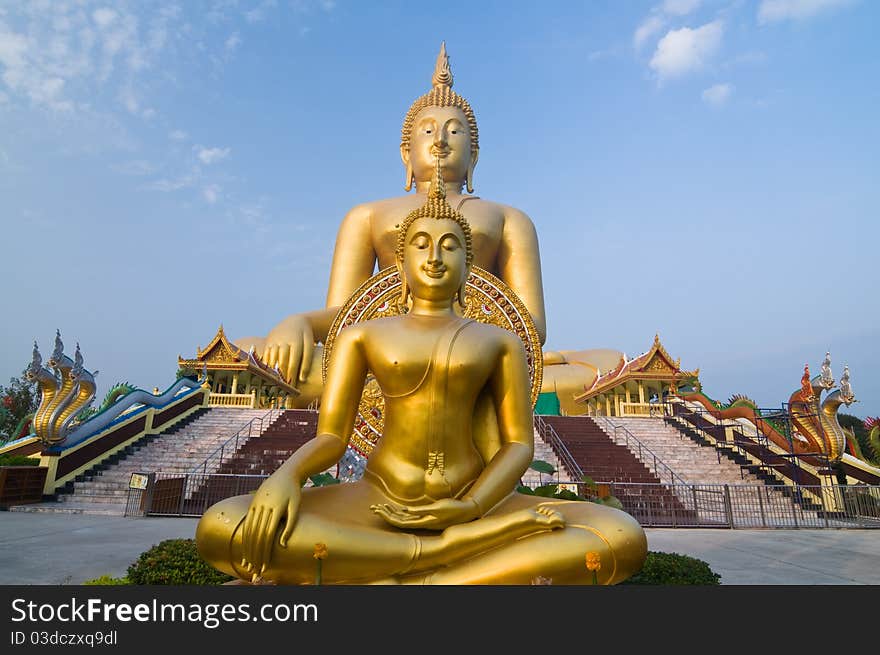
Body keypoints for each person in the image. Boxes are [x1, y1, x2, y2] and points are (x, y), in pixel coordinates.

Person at [196, 167, 647, 585]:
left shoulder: (500, 340)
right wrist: (285, 477)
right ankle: (438, 559)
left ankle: (408, 571)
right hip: (377, 498)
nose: (435, 256)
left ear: (471, 266)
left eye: (450, 245)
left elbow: (517, 445)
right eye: (421, 244)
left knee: (619, 535)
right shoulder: (359, 335)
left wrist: (469, 507)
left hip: (474, 501)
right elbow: (331, 438)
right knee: (223, 526)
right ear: (400, 264)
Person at [235, 43, 546, 406]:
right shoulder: (366, 216)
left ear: (473, 155)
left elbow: (531, 328)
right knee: (252, 352)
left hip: (471, 356)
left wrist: (454, 323)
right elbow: (346, 316)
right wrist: (300, 322)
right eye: (428, 131)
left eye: (455, 132)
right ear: (406, 153)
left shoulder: (509, 219)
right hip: (386, 355)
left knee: (590, 368)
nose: (441, 141)